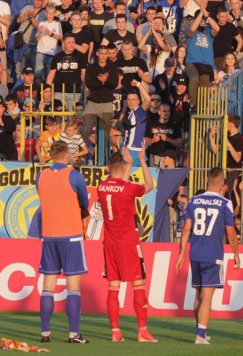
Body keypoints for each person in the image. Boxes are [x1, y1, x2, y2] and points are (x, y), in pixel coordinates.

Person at [175, 167, 240, 345]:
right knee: (207, 297)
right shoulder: (225, 203)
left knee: (198, 294)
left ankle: (200, 329)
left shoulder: (194, 200)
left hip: (195, 253)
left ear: (206, 179)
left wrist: (181, 253)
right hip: (213, 255)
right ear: (223, 184)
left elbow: (186, 228)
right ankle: (200, 335)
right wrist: (236, 253)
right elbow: (231, 233)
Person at [98, 147, 156, 343]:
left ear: (107, 168)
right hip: (129, 243)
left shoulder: (101, 187)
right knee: (138, 285)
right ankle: (143, 331)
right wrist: (142, 161)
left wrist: (128, 164)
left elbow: (118, 183)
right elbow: (150, 184)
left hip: (110, 244)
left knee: (113, 287)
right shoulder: (128, 188)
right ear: (122, 167)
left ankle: (115, 331)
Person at [35, 140, 90, 343]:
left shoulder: (41, 176)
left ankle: (45, 332)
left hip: (49, 234)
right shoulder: (73, 175)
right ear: (66, 155)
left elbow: (43, 196)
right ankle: (73, 333)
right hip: (71, 234)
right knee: (73, 286)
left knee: (48, 285)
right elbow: (84, 200)